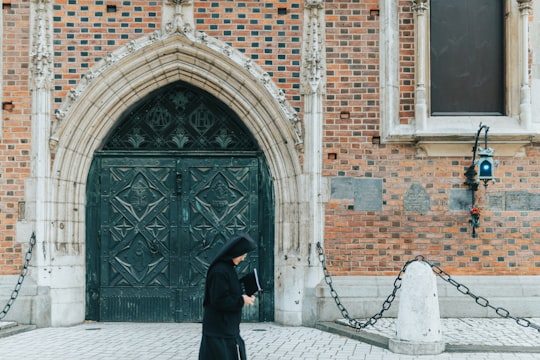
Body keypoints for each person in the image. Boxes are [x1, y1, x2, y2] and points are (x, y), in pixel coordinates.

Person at [198, 233, 257, 360]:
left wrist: (243, 294)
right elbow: (219, 300)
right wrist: (242, 300)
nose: (243, 258)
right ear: (235, 252)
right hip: (219, 331)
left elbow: (228, 292)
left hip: (225, 328)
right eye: (243, 254)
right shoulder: (219, 271)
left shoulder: (227, 269)